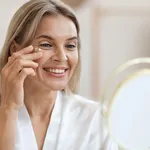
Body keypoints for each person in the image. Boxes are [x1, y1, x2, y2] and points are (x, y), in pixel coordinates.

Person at [0, 0, 119, 150]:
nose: (62, 57)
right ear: (15, 50)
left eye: (70, 46)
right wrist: (8, 109)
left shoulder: (95, 119)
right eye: (46, 44)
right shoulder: (5, 111)